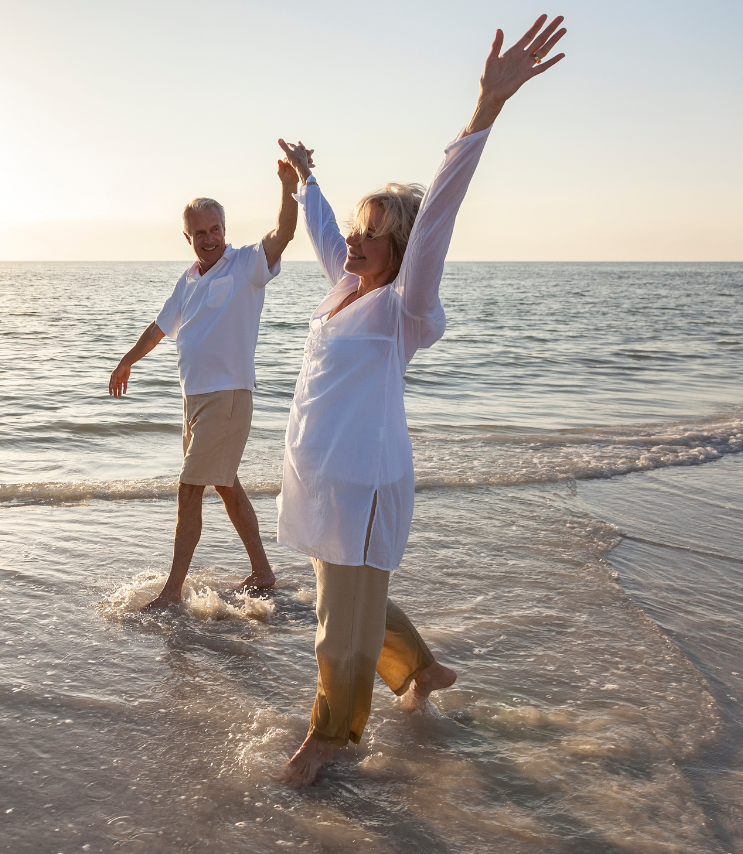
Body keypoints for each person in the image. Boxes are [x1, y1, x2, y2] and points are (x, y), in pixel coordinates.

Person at [274, 15, 567, 786]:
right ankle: (422, 671)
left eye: (371, 234)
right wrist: (306, 180)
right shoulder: (344, 289)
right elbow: (324, 232)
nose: (354, 243)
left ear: (400, 248)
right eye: (357, 232)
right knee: (350, 597)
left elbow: (437, 216)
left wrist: (485, 110)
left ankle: (329, 740)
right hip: (324, 480)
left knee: (339, 622)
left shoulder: (401, 307)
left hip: (364, 484)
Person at [108, 159, 300, 611]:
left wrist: (288, 186)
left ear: (225, 229)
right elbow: (159, 328)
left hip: (227, 395)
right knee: (226, 485)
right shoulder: (188, 280)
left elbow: (284, 233)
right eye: (200, 233)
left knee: (189, 488)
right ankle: (263, 572)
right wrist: (126, 361)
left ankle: (171, 592)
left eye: (216, 229)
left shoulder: (246, 264)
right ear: (188, 237)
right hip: (193, 400)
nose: (210, 238)